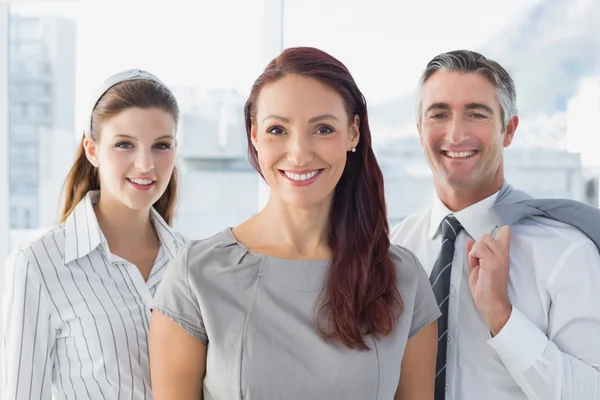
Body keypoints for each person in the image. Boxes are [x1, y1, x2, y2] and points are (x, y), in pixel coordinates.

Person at [149, 46, 441, 400]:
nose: (300, 153)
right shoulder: (197, 275)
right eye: (277, 130)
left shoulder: (402, 278)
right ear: (254, 136)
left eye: (322, 128)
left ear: (353, 133)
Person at [391, 49, 600, 400]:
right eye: (439, 114)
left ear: (509, 129)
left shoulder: (566, 251)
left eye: (476, 114)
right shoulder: (393, 251)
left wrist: (502, 317)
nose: (455, 134)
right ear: (419, 130)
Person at [1, 69, 188, 400]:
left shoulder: (192, 262)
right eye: (124, 144)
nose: (145, 164)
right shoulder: (39, 266)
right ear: (92, 149)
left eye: (161, 145)